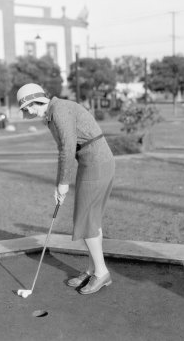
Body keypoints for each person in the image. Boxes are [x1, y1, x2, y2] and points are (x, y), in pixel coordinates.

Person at [17, 83, 115, 295]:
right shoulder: (53, 112)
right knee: (90, 219)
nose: (28, 112)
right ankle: (92, 269)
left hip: (96, 163)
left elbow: (67, 149)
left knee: (85, 220)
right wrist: (60, 183)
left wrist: (62, 183)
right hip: (94, 162)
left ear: (36, 102)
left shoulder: (59, 111)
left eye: (27, 108)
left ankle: (101, 273)